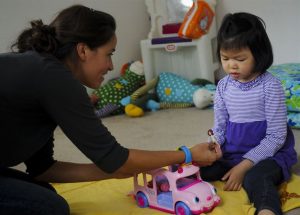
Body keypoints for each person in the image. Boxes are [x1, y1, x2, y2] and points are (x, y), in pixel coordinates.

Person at [0, 4, 221, 215]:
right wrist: (187, 154)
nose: (111, 66)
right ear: (83, 50)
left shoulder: (44, 72)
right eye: (109, 54)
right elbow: (117, 159)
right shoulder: (55, 79)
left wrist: (117, 171)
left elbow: (43, 169)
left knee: (43, 196)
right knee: (49, 208)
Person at [200, 12, 298, 215]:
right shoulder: (223, 86)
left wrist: (244, 167)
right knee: (200, 169)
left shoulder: (270, 86)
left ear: (259, 54)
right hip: (231, 152)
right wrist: (215, 143)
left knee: (256, 178)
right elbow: (219, 126)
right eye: (225, 58)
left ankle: (267, 210)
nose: (231, 65)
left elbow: (276, 137)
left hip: (270, 155)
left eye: (240, 59)